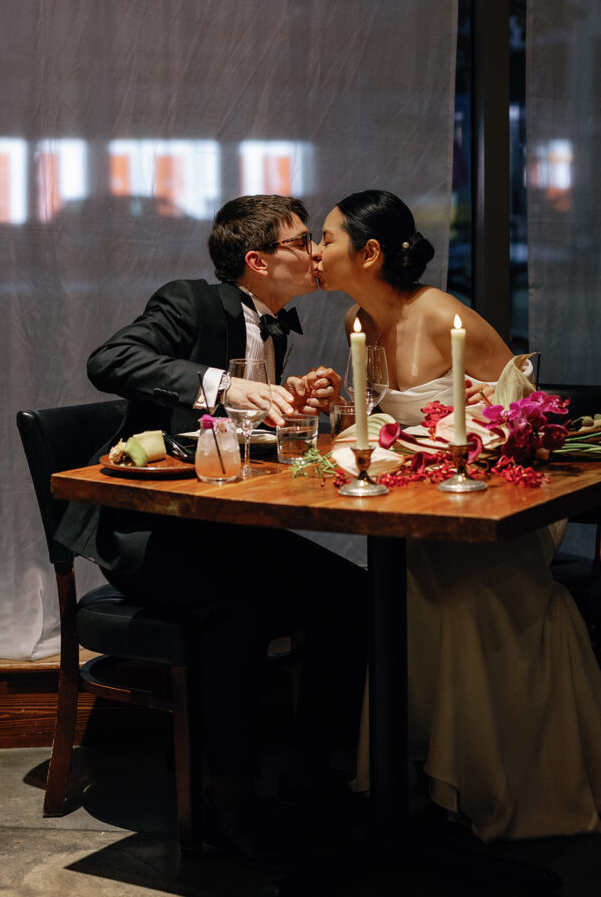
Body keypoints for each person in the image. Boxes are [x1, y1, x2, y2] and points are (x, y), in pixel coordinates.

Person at [317, 188, 601, 842]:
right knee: (392, 590)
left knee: (461, 597)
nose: (316, 252)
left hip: (498, 506)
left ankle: (492, 786)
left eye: (326, 238)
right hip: (419, 512)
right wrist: (333, 414)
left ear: (370, 251)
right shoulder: (357, 321)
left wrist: (481, 428)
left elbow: (525, 413)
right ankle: (419, 781)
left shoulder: (438, 314)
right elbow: (368, 427)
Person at [55, 194, 368, 865]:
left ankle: (311, 776)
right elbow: (110, 359)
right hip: (149, 533)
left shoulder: (280, 327)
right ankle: (230, 802)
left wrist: (303, 412)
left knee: (353, 594)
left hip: (224, 527)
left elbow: (245, 447)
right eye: (301, 241)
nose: (316, 253)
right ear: (255, 261)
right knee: (237, 610)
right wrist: (223, 387)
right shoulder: (191, 303)